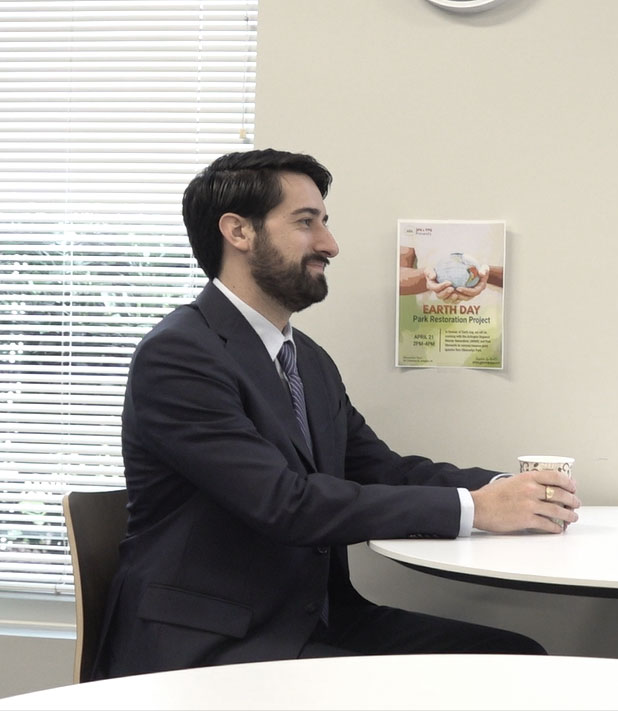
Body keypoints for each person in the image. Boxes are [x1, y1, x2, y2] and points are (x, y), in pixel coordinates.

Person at [93, 149, 579, 679]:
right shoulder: (179, 355)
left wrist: (512, 491)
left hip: (316, 622)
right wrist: (475, 510)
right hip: (215, 645)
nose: (330, 244)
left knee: (515, 659)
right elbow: (284, 504)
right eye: (307, 222)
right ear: (238, 232)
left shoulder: (308, 361)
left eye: (324, 222)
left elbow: (384, 471)